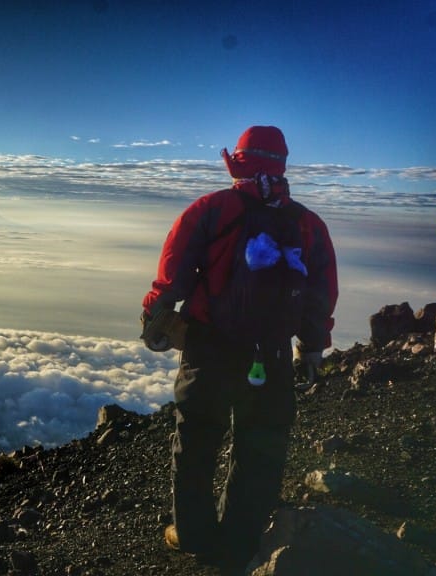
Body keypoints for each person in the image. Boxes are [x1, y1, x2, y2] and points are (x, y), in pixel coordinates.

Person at [140, 126, 338, 574]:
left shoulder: (211, 210)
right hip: (269, 353)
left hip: (209, 349)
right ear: (283, 165)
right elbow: (319, 293)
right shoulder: (308, 224)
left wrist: (155, 318)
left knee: (196, 440)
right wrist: (310, 349)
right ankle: (240, 539)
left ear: (239, 161)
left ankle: (191, 533)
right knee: (260, 444)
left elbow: (172, 276)